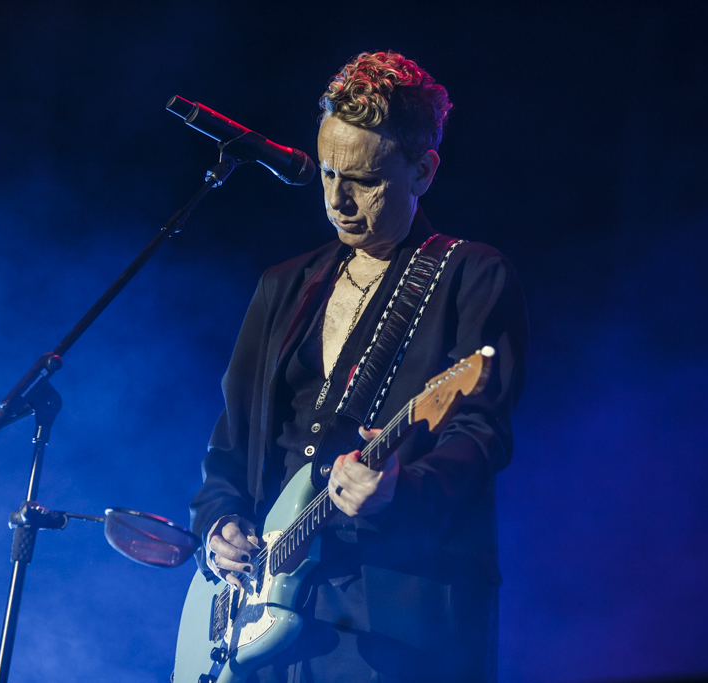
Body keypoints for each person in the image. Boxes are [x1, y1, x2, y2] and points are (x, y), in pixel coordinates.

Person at [189, 51, 528, 682]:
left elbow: (480, 434)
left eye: (365, 181)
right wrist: (218, 522)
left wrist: (402, 489)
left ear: (422, 170)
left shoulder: (471, 274)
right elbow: (231, 442)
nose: (338, 200)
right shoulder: (283, 286)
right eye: (327, 173)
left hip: (396, 612)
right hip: (261, 611)